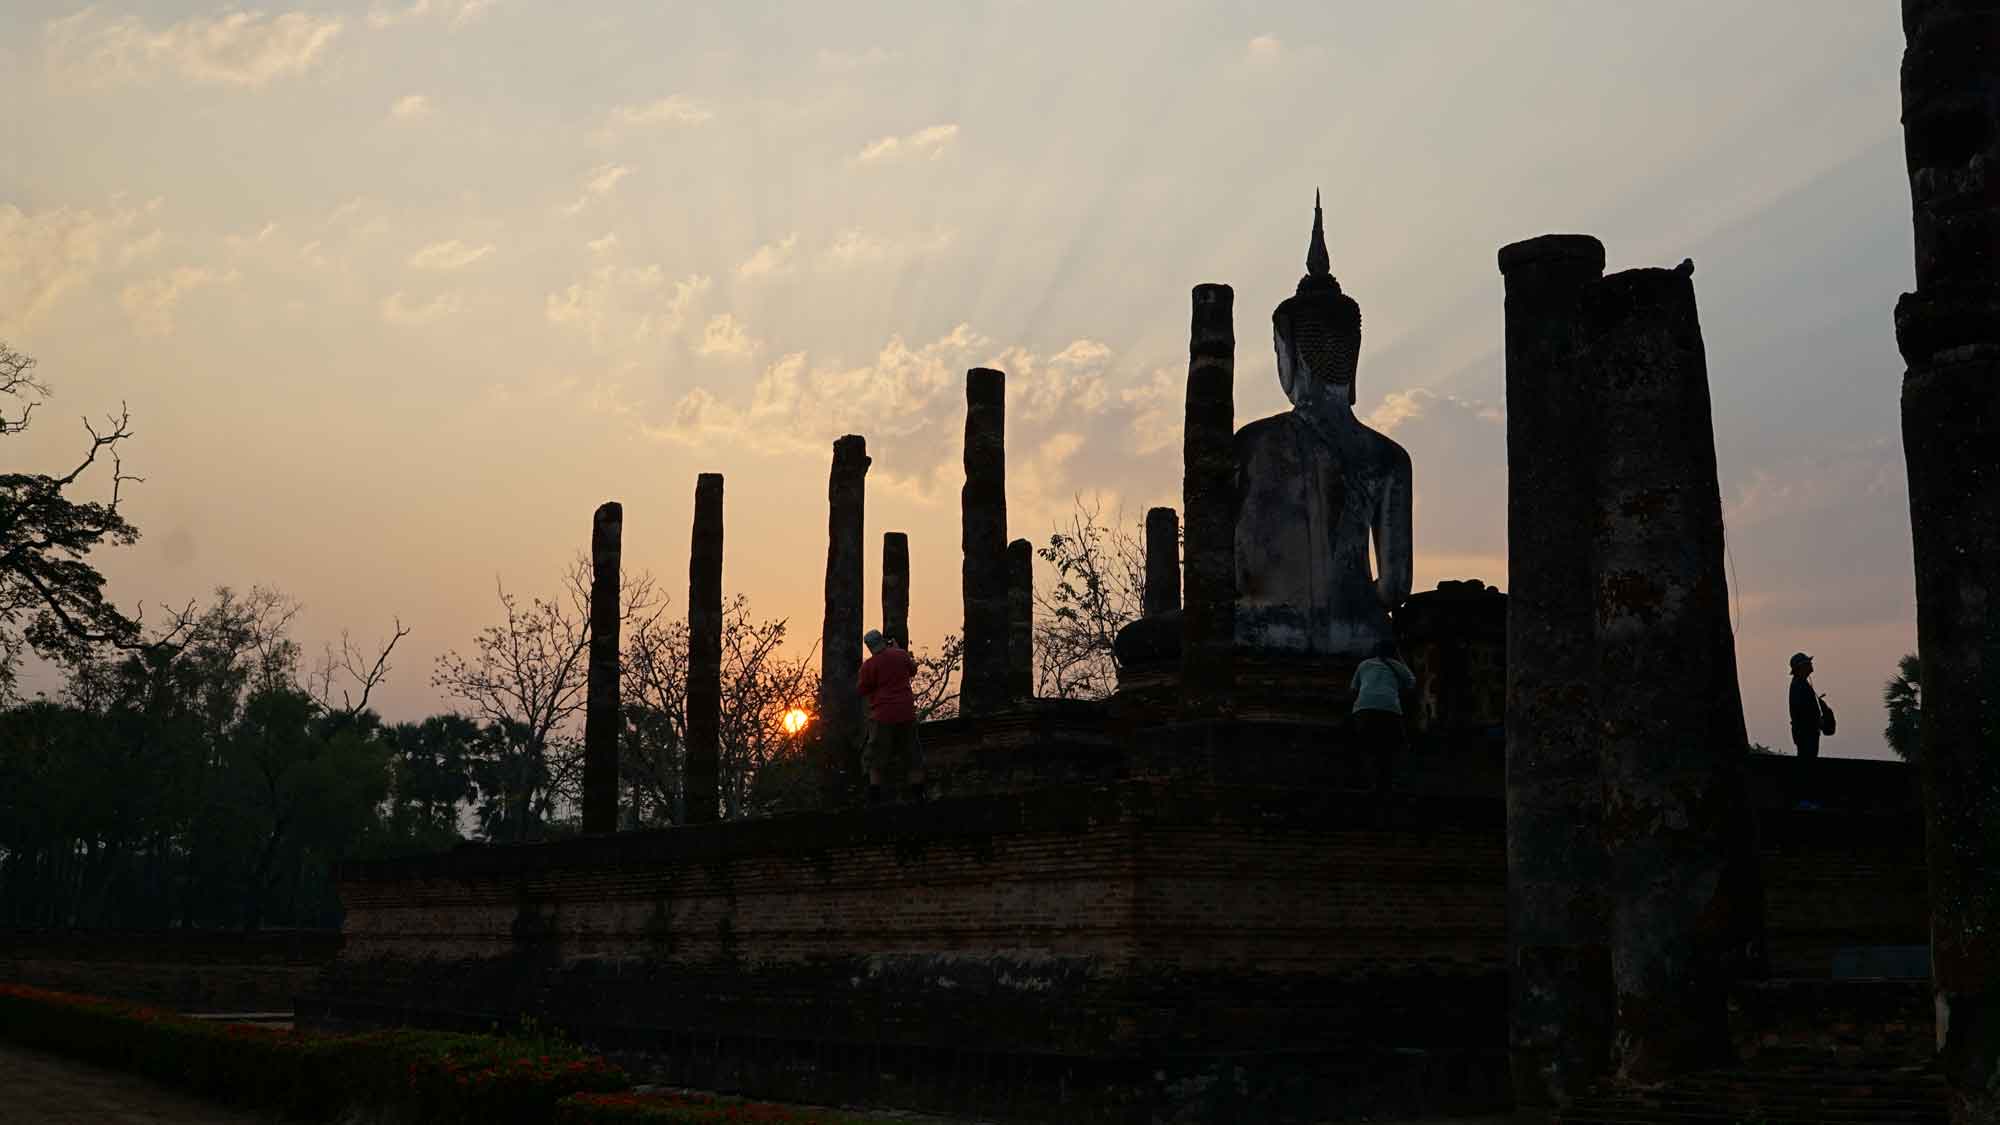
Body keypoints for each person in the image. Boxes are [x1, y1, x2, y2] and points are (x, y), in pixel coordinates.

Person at [858, 629, 923, 805]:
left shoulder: (869, 666)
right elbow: (913, 670)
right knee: (912, 754)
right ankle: (917, 794)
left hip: (882, 715)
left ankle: (875, 796)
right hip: (905, 711)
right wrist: (897, 649)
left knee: (875, 757)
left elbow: (862, 689)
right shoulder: (900, 655)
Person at [1349, 640, 1415, 791]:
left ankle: (1368, 782)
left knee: (1367, 746)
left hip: (1364, 708)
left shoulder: (1364, 664)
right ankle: (1389, 782)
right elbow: (1412, 682)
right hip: (1390, 708)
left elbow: (1353, 689)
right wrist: (1401, 659)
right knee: (1392, 746)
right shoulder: (1398, 666)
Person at [1789, 652, 1824, 810]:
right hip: (1806, 734)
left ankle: (1806, 799)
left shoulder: (1799, 684)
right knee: (1806, 767)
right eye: (1807, 663)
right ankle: (1805, 800)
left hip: (1806, 733)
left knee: (1807, 766)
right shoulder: (1799, 685)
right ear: (1801, 667)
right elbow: (1803, 713)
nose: (1811, 665)